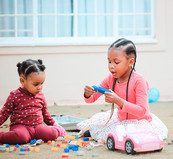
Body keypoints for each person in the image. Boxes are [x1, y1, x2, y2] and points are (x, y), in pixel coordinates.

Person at [77, 38, 168, 141]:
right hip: (121, 119)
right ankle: (93, 132)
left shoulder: (139, 81)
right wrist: (88, 94)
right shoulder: (110, 79)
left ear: (131, 62)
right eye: (109, 61)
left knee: (129, 137)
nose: (111, 66)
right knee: (102, 127)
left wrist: (119, 101)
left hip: (139, 121)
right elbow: (92, 99)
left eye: (116, 62)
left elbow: (142, 111)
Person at [0, 59, 66, 144]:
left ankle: (56, 130)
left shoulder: (40, 95)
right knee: (21, 137)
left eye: (42, 83)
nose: (40, 87)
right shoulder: (14, 95)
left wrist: (54, 124)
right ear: (22, 81)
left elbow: (45, 114)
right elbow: (4, 113)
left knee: (52, 134)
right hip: (21, 127)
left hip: (37, 127)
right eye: (36, 84)